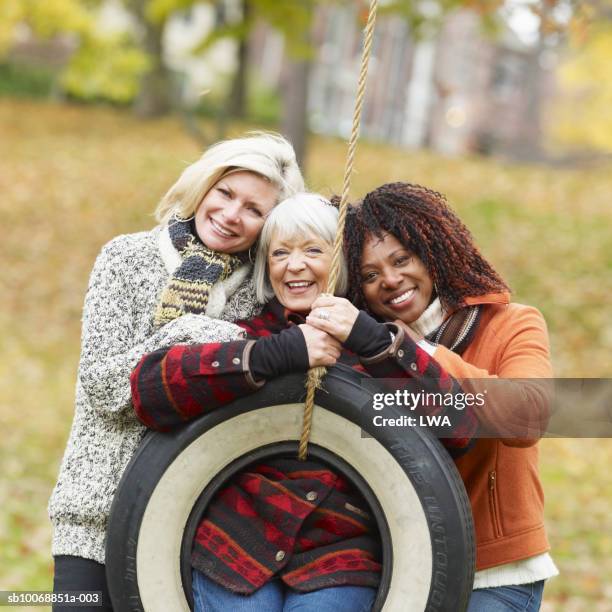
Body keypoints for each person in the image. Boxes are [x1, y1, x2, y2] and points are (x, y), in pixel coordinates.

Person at [131, 193, 479, 612]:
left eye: (313, 250)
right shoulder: (246, 335)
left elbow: (460, 427)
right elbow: (149, 389)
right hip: (235, 547)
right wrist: (277, 354)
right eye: (280, 253)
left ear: (341, 263)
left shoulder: (376, 349)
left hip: (339, 558)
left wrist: (369, 339)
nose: (294, 265)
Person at [48, 133, 304, 612]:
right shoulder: (126, 259)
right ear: (203, 187)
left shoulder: (262, 295)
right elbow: (103, 387)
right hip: (92, 519)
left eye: (254, 210)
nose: (231, 215)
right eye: (225, 194)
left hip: (189, 529)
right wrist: (188, 331)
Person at [305, 182, 557, 612]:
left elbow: (526, 418)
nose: (390, 279)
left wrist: (410, 352)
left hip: (496, 574)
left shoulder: (514, 323)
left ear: (432, 250)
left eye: (402, 259)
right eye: (369, 274)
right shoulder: (359, 356)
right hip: (402, 571)